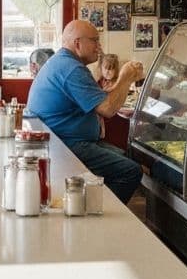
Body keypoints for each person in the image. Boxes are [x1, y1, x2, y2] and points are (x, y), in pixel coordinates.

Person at [26, 20, 144, 204]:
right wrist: (125, 77)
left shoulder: (63, 62)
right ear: (78, 43)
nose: (99, 47)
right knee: (131, 171)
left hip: (58, 140)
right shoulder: (71, 68)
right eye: (95, 40)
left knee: (124, 155)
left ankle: (90, 206)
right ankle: (96, 214)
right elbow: (107, 109)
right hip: (64, 145)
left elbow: (99, 99)